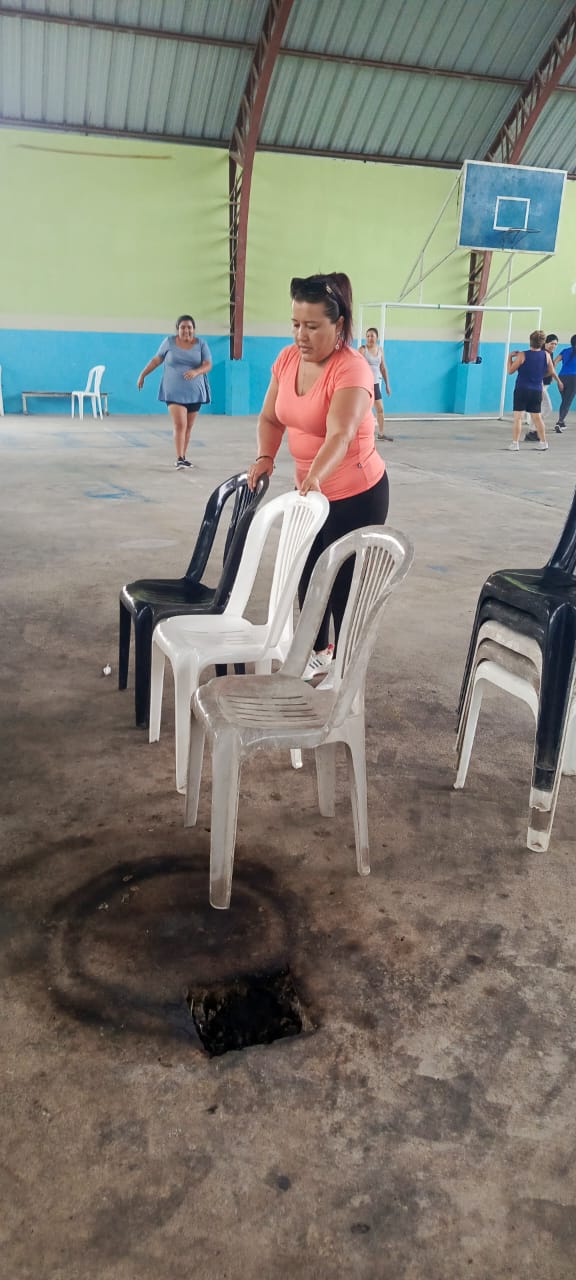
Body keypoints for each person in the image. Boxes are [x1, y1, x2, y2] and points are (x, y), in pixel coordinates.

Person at [247, 272, 388, 681]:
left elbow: (341, 434)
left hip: (356, 493)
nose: (300, 336)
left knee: (341, 582)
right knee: (307, 575)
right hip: (311, 494)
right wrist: (265, 456)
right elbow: (271, 418)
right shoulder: (287, 359)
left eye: (311, 326)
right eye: (295, 324)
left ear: (338, 324)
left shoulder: (352, 369)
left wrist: (315, 477)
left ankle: (346, 668)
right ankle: (317, 651)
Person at [137, 315, 212, 469]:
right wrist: (143, 374)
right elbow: (156, 360)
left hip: (195, 392)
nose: (186, 330)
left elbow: (207, 364)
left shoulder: (201, 344)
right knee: (180, 424)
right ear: (178, 329)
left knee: (188, 426)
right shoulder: (169, 342)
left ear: (194, 329)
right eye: (183, 327)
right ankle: (179, 458)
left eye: (189, 327)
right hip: (174, 391)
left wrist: (196, 372)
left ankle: (184, 456)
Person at [507, 330, 562, 452]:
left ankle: (515, 444)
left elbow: (510, 371)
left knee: (518, 417)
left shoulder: (522, 355)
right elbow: (551, 371)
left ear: (530, 341)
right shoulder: (546, 355)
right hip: (536, 390)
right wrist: (540, 375)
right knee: (537, 417)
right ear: (542, 343)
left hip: (521, 389)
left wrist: (510, 357)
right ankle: (543, 442)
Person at [359, 327, 393, 442]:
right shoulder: (362, 350)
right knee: (362, 410)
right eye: (368, 336)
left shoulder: (380, 350)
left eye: (372, 336)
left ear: (377, 337)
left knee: (380, 409)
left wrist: (387, 385)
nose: (369, 338)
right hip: (364, 385)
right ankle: (358, 433)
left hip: (375, 384)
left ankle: (381, 434)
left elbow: (383, 368)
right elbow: (356, 367)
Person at [523, 333, 558, 441]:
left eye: (555, 344)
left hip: (544, 385)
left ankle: (533, 431)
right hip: (539, 385)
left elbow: (550, 370)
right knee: (546, 408)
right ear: (545, 343)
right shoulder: (542, 354)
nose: (553, 346)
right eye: (551, 343)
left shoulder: (549, 353)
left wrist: (554, 378)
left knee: (538, 409)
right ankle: (533, 430)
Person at [554, 335, 576, 433]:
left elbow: (554, 362)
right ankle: (559, 422)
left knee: (565, 401)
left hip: (561, 378)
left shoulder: (565, 351)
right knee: (567, 402)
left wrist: (552, 375)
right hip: (573, 379)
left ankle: (562, 422)